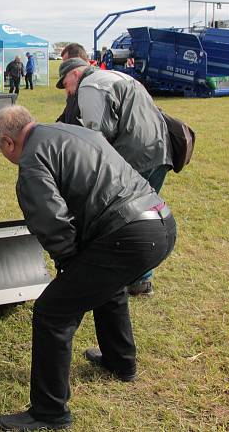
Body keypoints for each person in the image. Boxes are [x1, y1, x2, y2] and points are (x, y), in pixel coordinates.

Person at [0, 105, 177, 431]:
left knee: (53, 311)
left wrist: (68, 265)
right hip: (160, 221)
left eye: (2, 150)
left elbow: (51, 221)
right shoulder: (71, 131)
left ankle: (49, 413)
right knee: (107, 283)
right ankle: (120, 362)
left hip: (129, 234)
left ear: (8, 143)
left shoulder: (32, 161)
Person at [56, 58, 173, 296]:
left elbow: (97, 136)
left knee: (118, 220)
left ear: (76, 74)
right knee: (144, 218)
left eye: (66, 84)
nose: (67, 91)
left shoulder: (90, 86)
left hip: (133, 160)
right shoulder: (119, 77)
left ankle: (112, 280)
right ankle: (141, 282)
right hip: (161, 153)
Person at [56, 43, 89, 124]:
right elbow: (68, 114)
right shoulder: (75, 87)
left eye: (67, 62)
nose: (65, 66)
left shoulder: (92, 89)